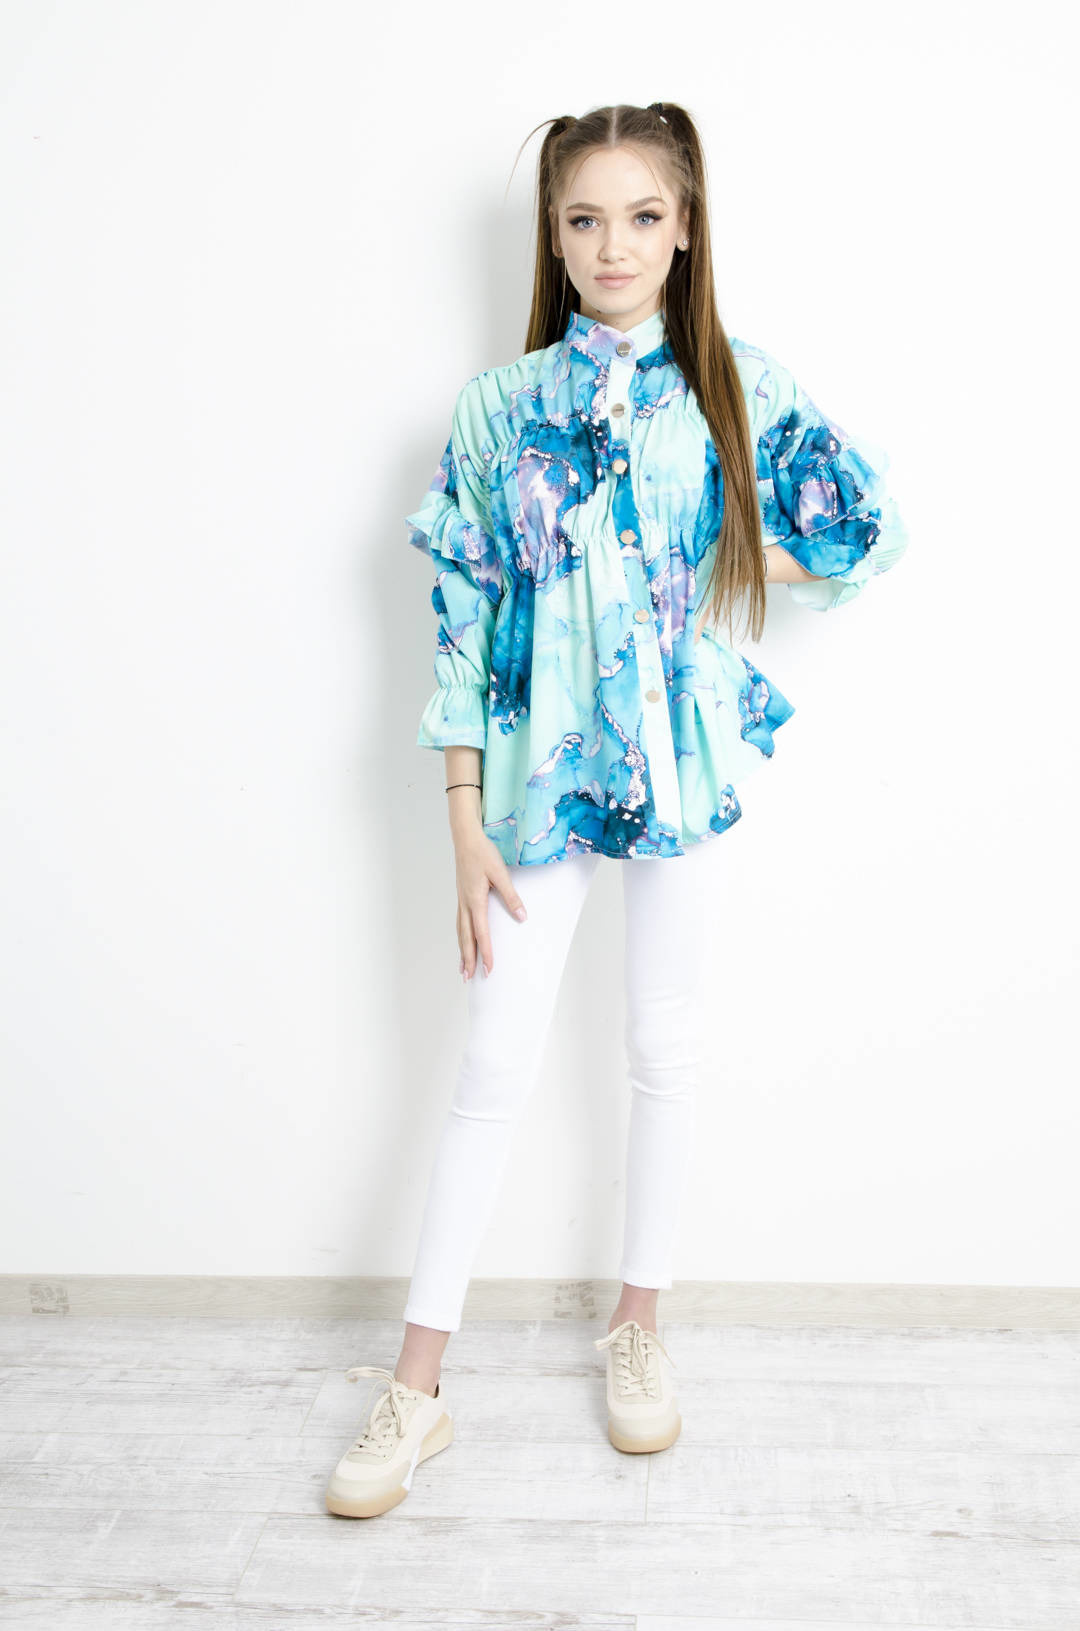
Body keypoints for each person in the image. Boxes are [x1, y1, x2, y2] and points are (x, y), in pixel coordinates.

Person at [325, 100, 908, 1519]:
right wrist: (463, 819)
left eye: (643, 216)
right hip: (537, 780)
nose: (614, 245)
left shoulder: (736, 387)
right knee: (491, 1068)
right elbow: (463, 631)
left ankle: (640, 1323)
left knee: (664, 1049)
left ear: (685, 228)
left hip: (681, 768)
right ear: (553, 234)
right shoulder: (497, 407)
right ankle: (417, 1387)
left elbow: (866, 532)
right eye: (584, 218)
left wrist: (724, 562)